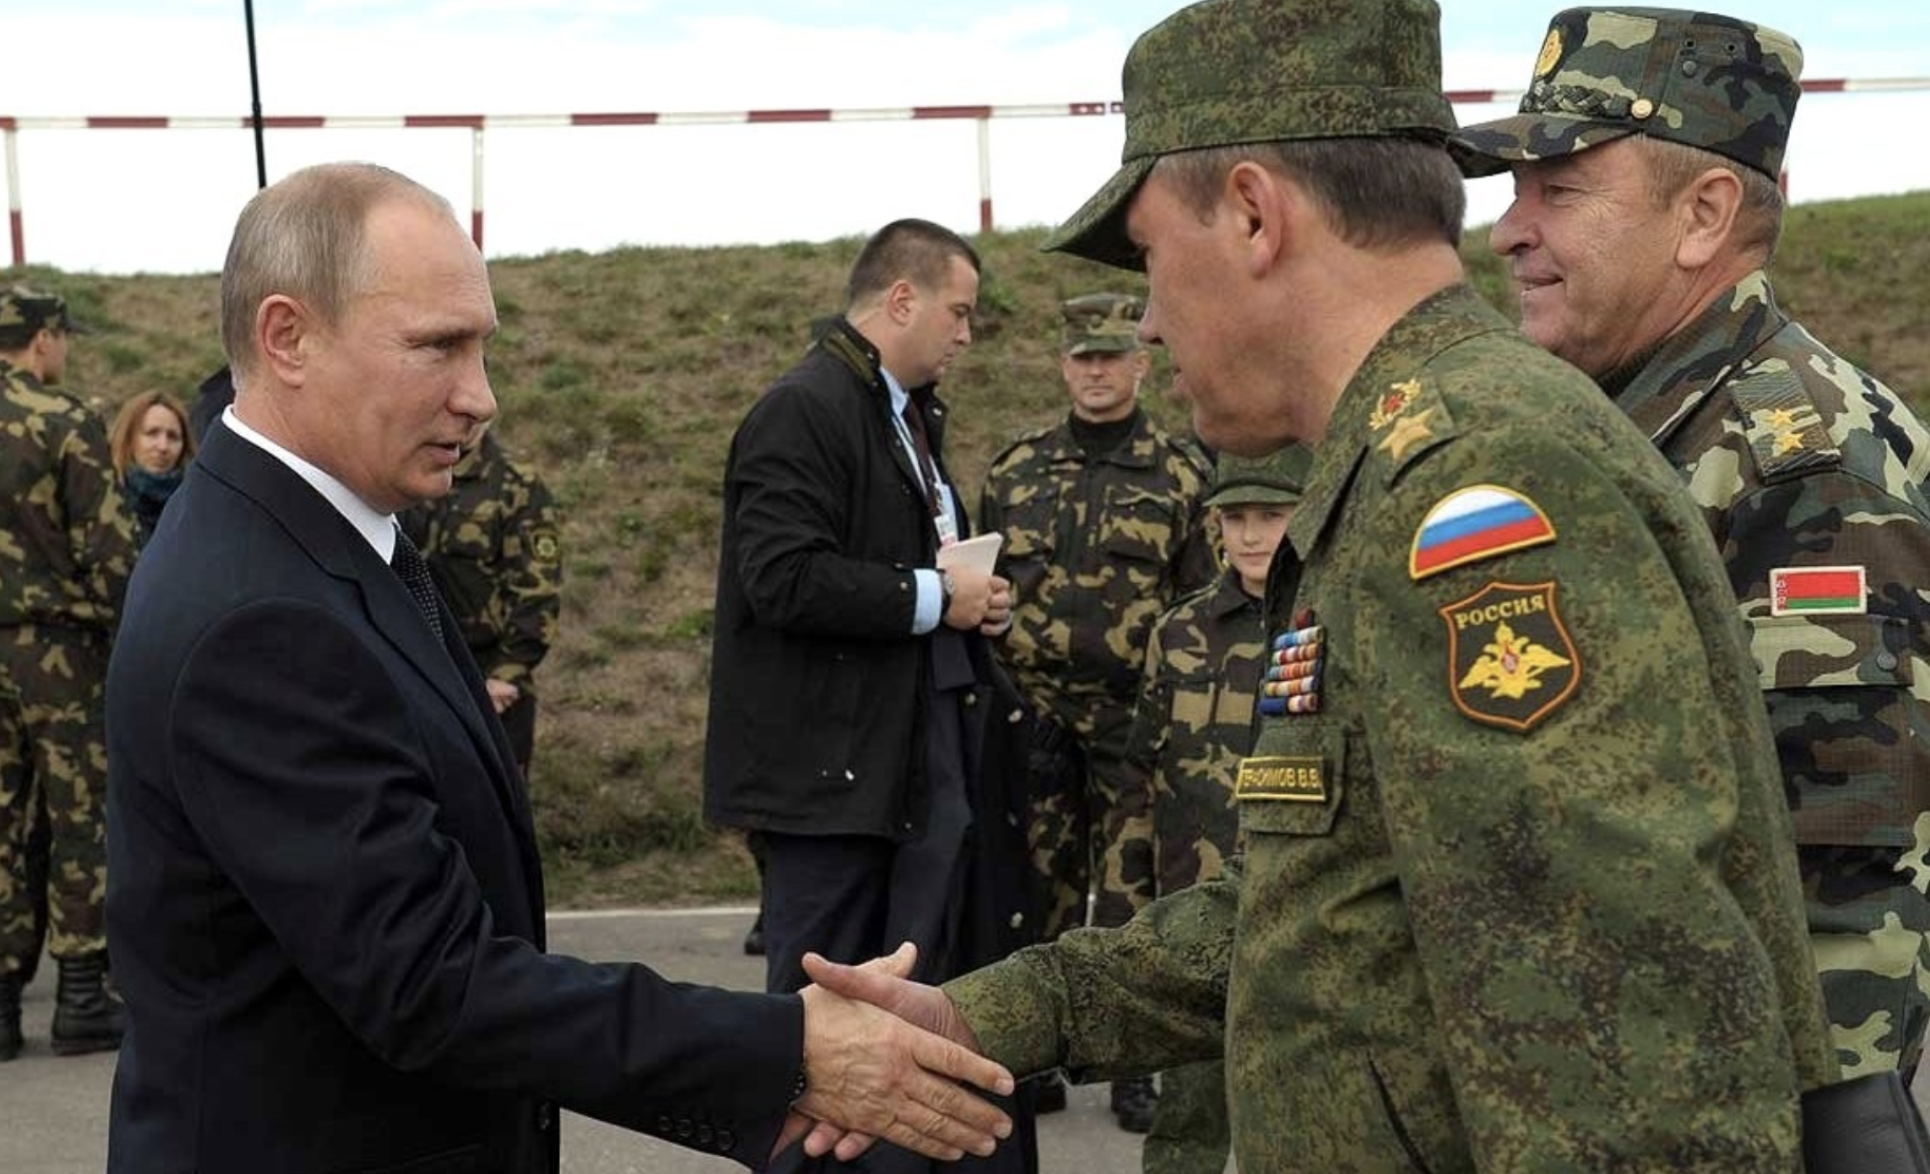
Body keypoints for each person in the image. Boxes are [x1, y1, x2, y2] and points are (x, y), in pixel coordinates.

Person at [799, 1, 1838, 1170]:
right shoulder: (1407, 461)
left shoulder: (1479, 487)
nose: (1150, 322)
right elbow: (1325, 906)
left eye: (1149, 257)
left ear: (1253, 214)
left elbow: (1623, 1058)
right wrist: (990, 1013)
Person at [103, 163, 1016, 1173]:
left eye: (482, 346)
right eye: (437, 346)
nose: (481, 397)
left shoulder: (323, 540)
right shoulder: (262, 612)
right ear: (288, 338)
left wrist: (779, 1067)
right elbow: (433, 983)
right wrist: (790, 1052)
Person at [1451, 5, 1930, 1084]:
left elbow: (1843, 899)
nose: (1507, 229)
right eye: (1516, 190)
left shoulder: (1801, 466)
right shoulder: (1637, 421)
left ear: (1703, 215)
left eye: (1557, 189)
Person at [702, 218, 1025, 1174]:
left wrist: (971, 601)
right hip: (831, 790)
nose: (967, 334)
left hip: (902, 769)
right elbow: (780, 576)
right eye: (958, 312)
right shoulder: (802, 410)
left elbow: (898, 565)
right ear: (901, 299)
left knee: (906, 1014)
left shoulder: (905, 415)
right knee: (822, 1037)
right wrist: (932, 597)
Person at [978, 291, 1213, 1128]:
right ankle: (1034, 1057)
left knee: (1131, 894)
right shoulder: (1014, 471)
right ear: (1063, 367)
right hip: (1037, 709)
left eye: (1112, 357)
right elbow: (983, 591)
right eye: (1084, 358)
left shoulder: (1183, 474)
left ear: (1142, 365)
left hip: (1133, 717)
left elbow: (1201, 603)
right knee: (1037, 885)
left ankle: (1131, 1067)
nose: (1097, 372)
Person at [1127, 445, 1308, 1174]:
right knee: (1188, 1121)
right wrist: (1129, 905)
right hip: (1196, 912)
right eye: (1236, 518)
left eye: (1271, 515)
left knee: (1304, 1121)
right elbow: (1140, 782)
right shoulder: (1179, 631)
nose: (1252, 535)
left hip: (1303, 913)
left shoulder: (1334, 620)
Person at [0, 284, 137, 1062]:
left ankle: (0, 1005)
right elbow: (110, 552)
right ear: (43, 339)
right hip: (58, 652)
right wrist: (134, 639)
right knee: (80, 815)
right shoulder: (63, 419)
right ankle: (81, 991)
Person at [402, 426, 562, 781]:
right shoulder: (408, 471)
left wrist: (507, 673)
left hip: (490, 683)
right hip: (420, 672)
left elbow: (537, 591)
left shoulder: (516, 484)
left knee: (495, 799)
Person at [108, 389, 196, 546]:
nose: (163, 446)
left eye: (173, 436)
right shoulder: (103, 503)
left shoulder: (196, 508)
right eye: (152, 433)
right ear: (128, 438)